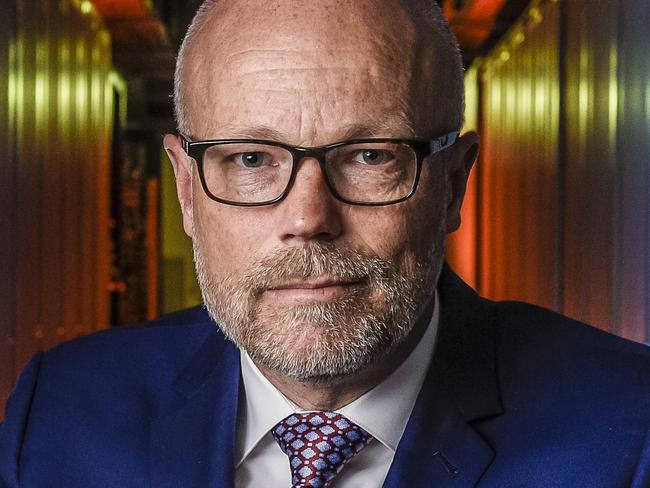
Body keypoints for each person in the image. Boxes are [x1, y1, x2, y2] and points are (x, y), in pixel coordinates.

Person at [1, 0, 649, 486]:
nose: (308, 217)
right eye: (251, 160)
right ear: (186, 190)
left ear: (452, 185)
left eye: (369, 155)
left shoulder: (627, 430)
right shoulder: (61, 411)